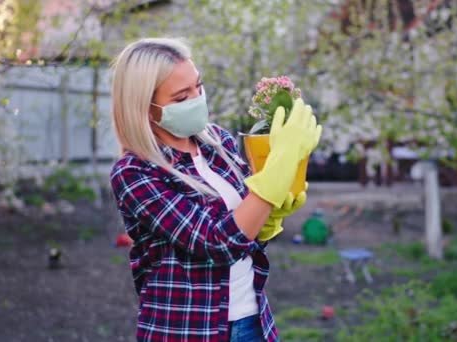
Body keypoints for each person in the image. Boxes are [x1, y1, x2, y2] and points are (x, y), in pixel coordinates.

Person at [109, 37, 322, 342]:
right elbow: (216, 242)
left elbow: (242, 232)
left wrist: (268, 221)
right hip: (186, 331)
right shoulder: (135, 173)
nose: (197, 99)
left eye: (199, 86)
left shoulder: (217, 143)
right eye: (182, 97)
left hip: (252, 321)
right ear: (144, 108)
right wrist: (279, 164)